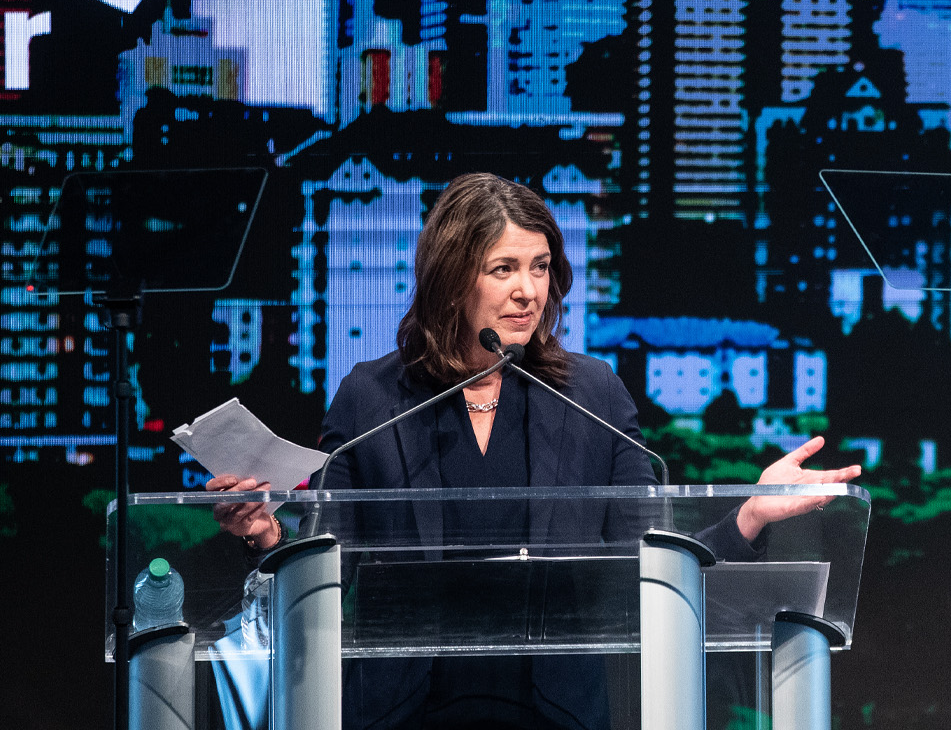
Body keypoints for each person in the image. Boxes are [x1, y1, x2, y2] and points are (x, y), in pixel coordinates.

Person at [210, 172, 859, 730]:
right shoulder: (371, 400)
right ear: (451, 278)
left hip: (556, 711)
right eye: (504, 269)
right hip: (402, 709)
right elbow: (329, 568)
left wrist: (748, 514)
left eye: (541, 267)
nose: (528, 291)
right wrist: (267, 535)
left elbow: (651, 566)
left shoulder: (592, 395)